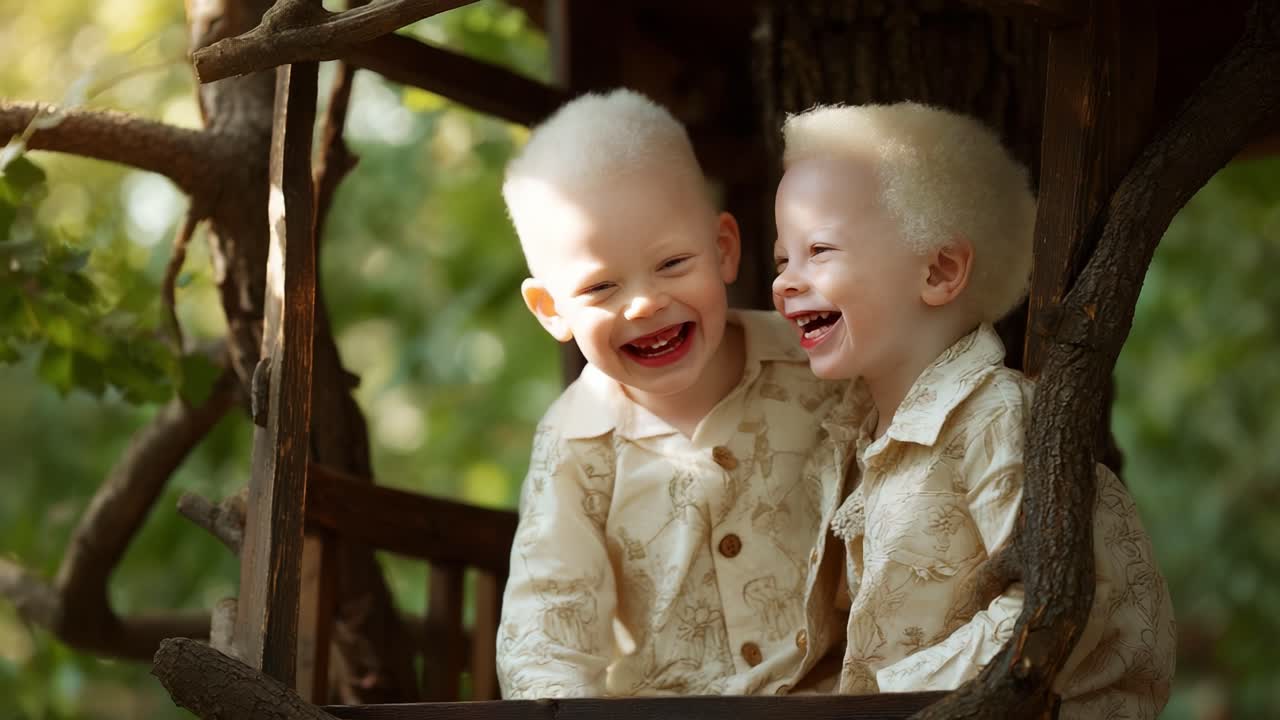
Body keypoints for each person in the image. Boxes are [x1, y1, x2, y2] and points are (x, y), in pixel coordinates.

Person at [771, 101, 1176, 718]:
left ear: (940, 269)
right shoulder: (856, 432)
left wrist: (884, 701)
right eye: (782, 258)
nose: (784, 282)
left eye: (818, 250)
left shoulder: (996, 416)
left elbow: (1050, 614)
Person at [495, 89, 853, 698]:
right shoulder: (576, 441)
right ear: (551, 309)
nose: (645, 303)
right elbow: (548, 631)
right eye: (602, 286)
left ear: (724, 250)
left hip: (839, 701)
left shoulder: (817, 361)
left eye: (672, 264)